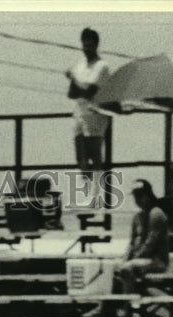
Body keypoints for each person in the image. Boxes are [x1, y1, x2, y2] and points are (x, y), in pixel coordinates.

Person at [99, 179, 169, 317]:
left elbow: (150, 244)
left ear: (149, 194)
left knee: (127, 269)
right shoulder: (137, 217)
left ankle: (129, 310)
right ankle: (106, 309)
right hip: (139, 261)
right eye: (136, 196)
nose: (139, 200)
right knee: (113, 268)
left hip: (156, 261)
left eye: (141, 195)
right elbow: (131, 244)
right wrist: (124, 259)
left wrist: (131, 261)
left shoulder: (156, 214)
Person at [65, 27, 111, 203]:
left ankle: (96, 195)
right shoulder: (80, 64)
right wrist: (77, 86)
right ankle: (86, 193)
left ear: (96, 45)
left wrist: (75, 81)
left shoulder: (102, 66)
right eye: (84, 45)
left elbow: (90, 91)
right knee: (81, 155)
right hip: (79, 112)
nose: (86, 49)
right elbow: (72, 93)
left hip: (95, 113)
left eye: (90, 45)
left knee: (95, 154)